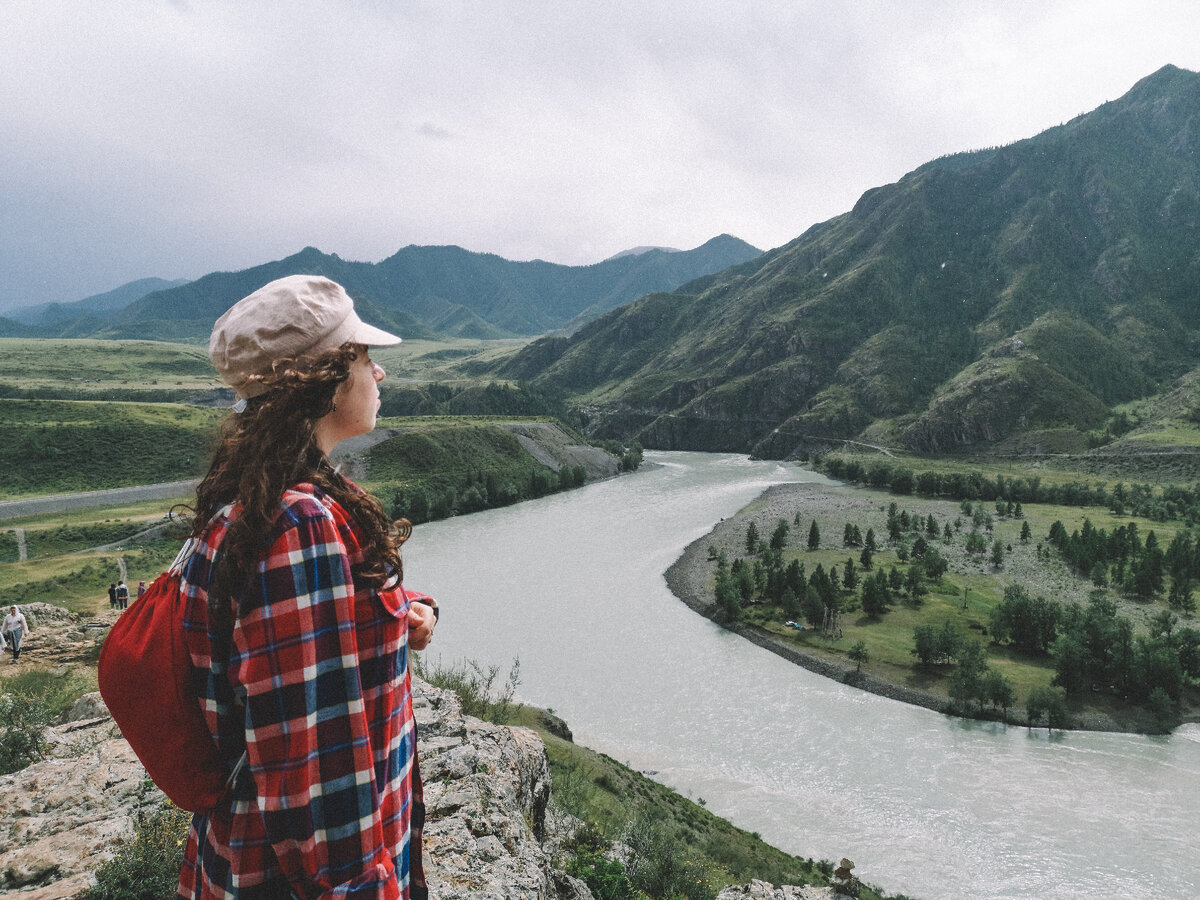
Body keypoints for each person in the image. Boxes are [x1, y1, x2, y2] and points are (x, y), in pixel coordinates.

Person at [178, 275, 436, 900]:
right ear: (326, 377)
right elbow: (313, 774)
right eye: (365, 357)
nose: (380, 374)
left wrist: (401, 617)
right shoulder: (299, 525)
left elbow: (298, 654)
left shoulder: (261, 503)